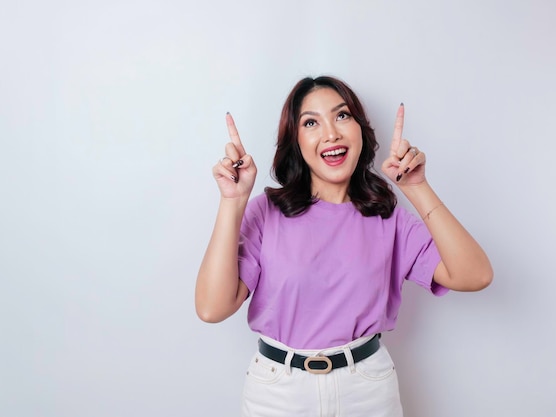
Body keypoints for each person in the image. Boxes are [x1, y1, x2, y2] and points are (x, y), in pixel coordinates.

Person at [195, 75, 493, 417]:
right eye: (311, 122)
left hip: (366, 390)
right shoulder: (265, 213)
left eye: (342, 116)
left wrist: (416, 186)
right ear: (296, 141)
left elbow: (476, 275)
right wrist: (233, 202)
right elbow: (211, 308)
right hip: (278, 394)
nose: (331, 133)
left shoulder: (387, 217)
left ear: (360, 131)